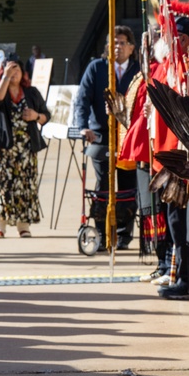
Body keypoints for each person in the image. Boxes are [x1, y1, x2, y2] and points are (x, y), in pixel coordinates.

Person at [73, 25, 140, 249]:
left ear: (131, 47)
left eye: (122, 42)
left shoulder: (139, 70)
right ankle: (102, 231)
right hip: (100, 136)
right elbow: (82, 100)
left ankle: (123, 233)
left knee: (128, 186)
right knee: (103, 183)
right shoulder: (97, 68)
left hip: (130, 136)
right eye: (113, 42)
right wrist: (82, 126)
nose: (117, 47)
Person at [0, 55, 50, 238]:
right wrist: (6, 78)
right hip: (2, 147)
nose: (13, 73)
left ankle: (23, 225)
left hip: (26, 147)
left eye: (16, 69)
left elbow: (46, 114)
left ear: (23, 72)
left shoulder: (31, 92)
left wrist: (36, 116)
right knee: (1, 184)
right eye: (8, 69)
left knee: (26, 185)